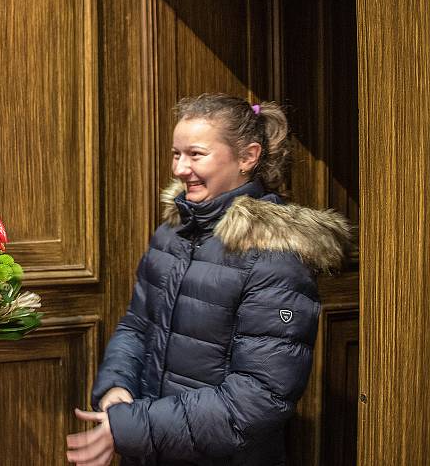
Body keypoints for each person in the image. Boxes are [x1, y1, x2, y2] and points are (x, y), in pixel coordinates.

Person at [66, 93, 350, 466]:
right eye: (175, 154)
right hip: (152, 449)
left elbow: (260, 396)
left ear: (247, 157)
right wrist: (117, 388)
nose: (180, 169)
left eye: (196, 154)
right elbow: (137, 325)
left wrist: (134, 426)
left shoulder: (276, 253)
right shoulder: (173, 232)